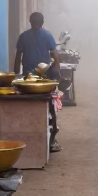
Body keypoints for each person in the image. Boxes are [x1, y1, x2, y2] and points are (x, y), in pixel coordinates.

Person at [14, 11, 62, 153]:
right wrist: (56, 73)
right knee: (50, 107)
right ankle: (51, 140)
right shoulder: (47, 35)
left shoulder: (23, 36)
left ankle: (25, 136)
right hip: (45, 79)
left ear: (30, 22)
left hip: (28, 78)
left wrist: (15, 74)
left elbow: (18, 56)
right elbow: (55, 55)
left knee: (27, 106)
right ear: (42, 22)